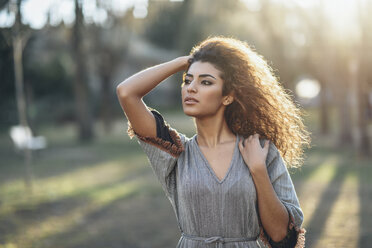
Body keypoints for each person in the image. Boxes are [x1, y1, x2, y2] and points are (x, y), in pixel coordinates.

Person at [116, 36, 311, 248]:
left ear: (227, 97)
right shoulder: (174, 151)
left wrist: (258, 170)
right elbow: (126, 93)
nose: (191, 88)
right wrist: (184, 62)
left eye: (206, 82)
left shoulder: (260, 149)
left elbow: (282, 235)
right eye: (187, 80)